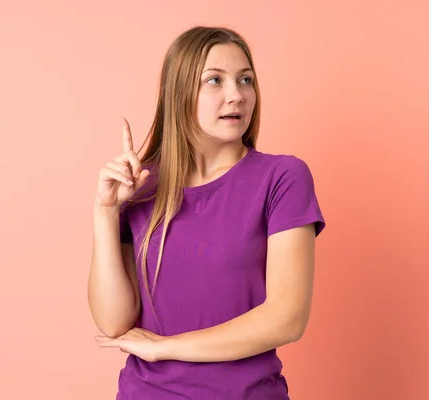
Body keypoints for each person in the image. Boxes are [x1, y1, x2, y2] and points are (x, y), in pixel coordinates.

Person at [88, 25, 326, 399]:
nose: (237, 96)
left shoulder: (282, 177)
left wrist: (166, 348)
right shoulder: (141, 186)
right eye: (215, 80)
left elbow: (287, 318)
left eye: (245, 80)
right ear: (179, 93)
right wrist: (105, 212)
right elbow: (114, 322)